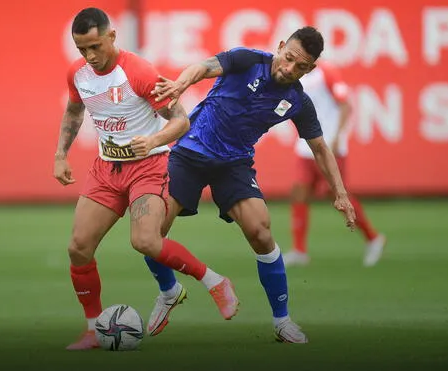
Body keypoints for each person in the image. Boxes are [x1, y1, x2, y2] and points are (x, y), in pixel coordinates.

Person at [141, 26, 356, 344]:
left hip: (234, 164)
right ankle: (169, 290)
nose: (289, 69)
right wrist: (179, 85)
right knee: (152, 232)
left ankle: (282, 321)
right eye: (289, 58)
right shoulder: (246, 60)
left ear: (310, 69)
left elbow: (320, 148)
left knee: (261, 231)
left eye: (301, 67)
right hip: (189, 152)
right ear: (281, 47)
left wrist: (341, 194)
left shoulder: (297, 100)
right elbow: (202, 67)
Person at [53, 8, 239, 351]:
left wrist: (153, 141)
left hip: (149, 166)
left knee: (146, 241)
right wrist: (61, 154)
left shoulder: (137, 71)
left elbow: (181, 121)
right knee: (78, 248)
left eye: (95, 46)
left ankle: (214, 281)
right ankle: (94, 329)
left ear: (111, 36)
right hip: (106, 170)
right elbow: (74, 110)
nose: (90, 56)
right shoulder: (77, 74)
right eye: (82, 49)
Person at [284, 62, 386, 268]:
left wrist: (339, 136)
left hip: (329, 146)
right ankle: (299, 250)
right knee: (298, 192)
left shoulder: (326, 73)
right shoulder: (295, 76)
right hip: (305, 146)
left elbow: (346, 104)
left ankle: (373, 238)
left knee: (336, 195)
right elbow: (286, 104)